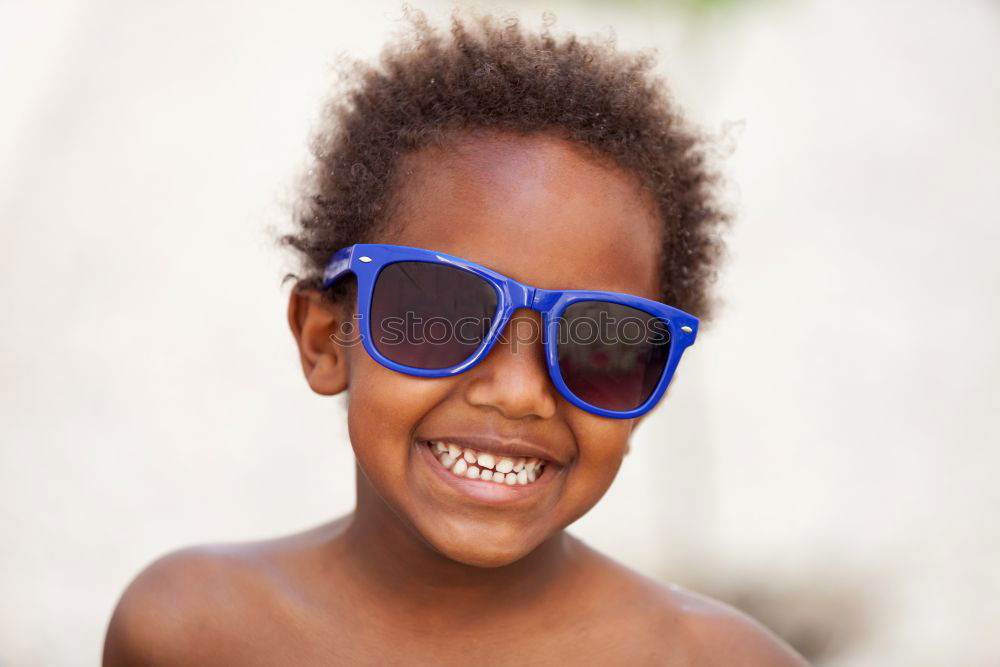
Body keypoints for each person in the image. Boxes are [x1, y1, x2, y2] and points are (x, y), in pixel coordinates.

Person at [103, 8, 808, 665]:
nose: (519, 392)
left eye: (603, 342)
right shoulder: (188, 628)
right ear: (324, 339)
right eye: (441, 312)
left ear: (652, 388)